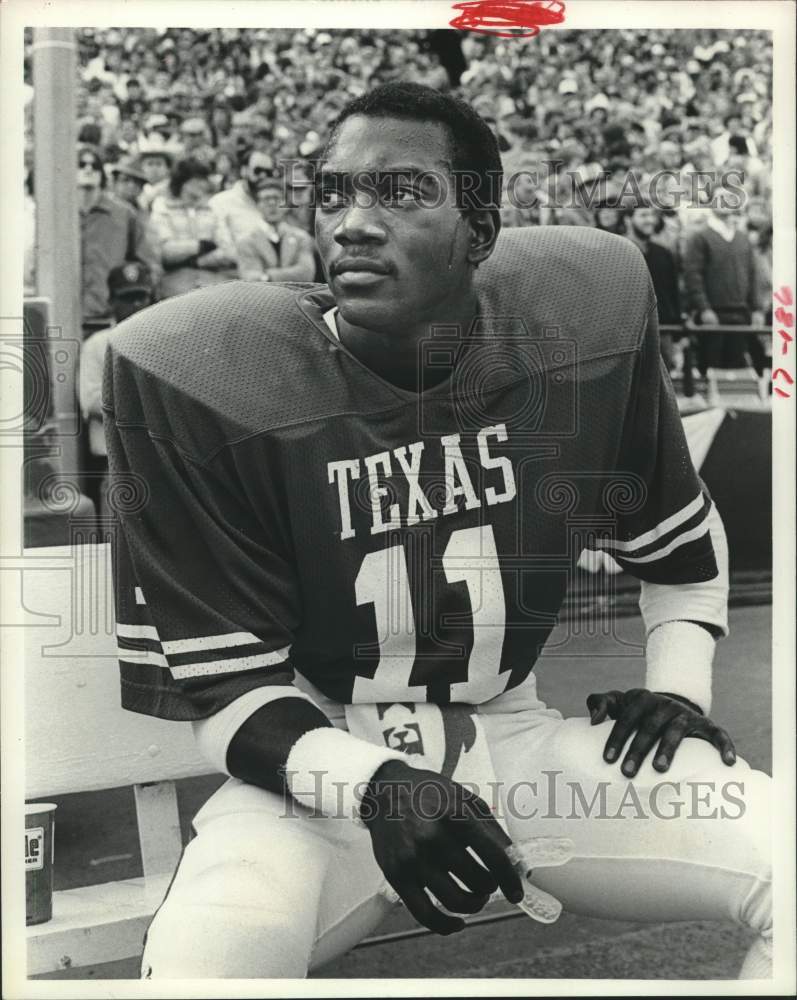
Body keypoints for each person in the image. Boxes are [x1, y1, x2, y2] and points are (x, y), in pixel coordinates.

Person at [105, 83, 770, 980]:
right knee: (207, 956)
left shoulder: (580, 319)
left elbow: (681, 555)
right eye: (333, 193)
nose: (353, 223)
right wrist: (376, 785)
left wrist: (679, 693)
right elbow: (226, 694)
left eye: (402, 192)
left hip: (514, 734)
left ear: (480, 229)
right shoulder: (202, 372)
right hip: (321, 763)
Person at [79, 260, 155, 518]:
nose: (136, 305)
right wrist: (146, 402)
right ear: (112, 301)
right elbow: (91, 401)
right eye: (128, 298)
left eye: (141, 297)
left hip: (160, 461)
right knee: (116, 537)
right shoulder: (97, 344)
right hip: (116, 463)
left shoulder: (163, 342)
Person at [683, 179, 766, 404]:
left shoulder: (742, 239)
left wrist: (757, 309)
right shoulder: (700, 237)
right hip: (714, 315)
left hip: (740, 315)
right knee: (711, 370)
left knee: (736, 371)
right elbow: (693, 276)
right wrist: (704, 308)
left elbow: (753, 276)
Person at [77, 145, 159, 336]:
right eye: (81, 164)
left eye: (94, 165)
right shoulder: (54, 214)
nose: (88, 169)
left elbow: (148, 263)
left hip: (110, 317)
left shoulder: (123, 214)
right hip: (63, 314)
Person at [150, 157, 236, 298]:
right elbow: (164, 251)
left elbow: (228, 250)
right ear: (184, 182)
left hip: (211, 279)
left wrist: (196, 261)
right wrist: (200, 246)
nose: (204, 184)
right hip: (174, 282)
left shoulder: (213, 208)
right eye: (198, 179)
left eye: (204, 179)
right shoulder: (162, 207)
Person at [624, 199, 683, 370]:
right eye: (643, 215)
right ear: (628, 219)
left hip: (663, 329)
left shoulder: (663, 253)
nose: (650, 220)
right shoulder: (617, 250)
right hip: (629, 332)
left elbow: (673, 293)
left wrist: (678, 336)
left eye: (652, 215)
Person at [236, 175, 317, 283]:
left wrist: (267, 276)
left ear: (285, 203)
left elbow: (306, 273)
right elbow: (251, 278)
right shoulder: (246, 241)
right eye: (266, 199)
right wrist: (290, 274)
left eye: (277, 198)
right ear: (257, 205)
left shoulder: (301, 237)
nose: (272, 204)